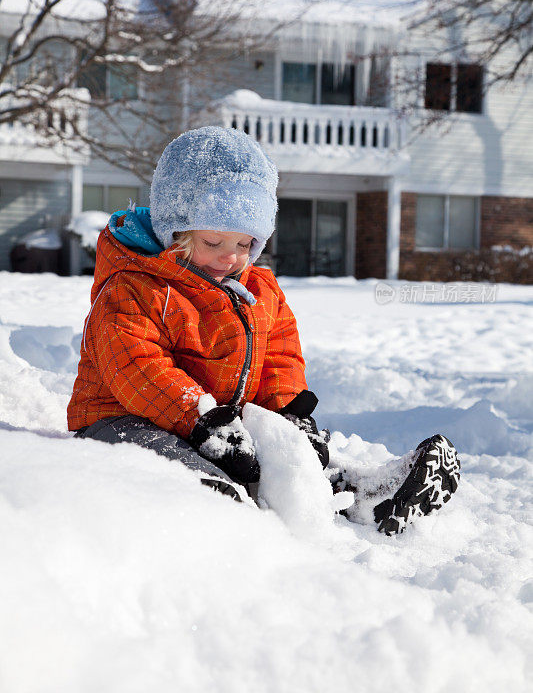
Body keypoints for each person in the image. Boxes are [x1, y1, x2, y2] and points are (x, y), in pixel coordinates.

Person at [68, 126, 460, 535]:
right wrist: (200, 420)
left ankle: (360, 495)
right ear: (177, 228)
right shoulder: (135, 286)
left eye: (244, 243)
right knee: (201, 479)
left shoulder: (259, 291)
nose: (230, 257)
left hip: (221, 426)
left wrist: (289, 416)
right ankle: (223, 505)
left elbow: (279, 358)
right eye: (213, 241)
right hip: (122, 423)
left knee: (285, 457)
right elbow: (134, 365)